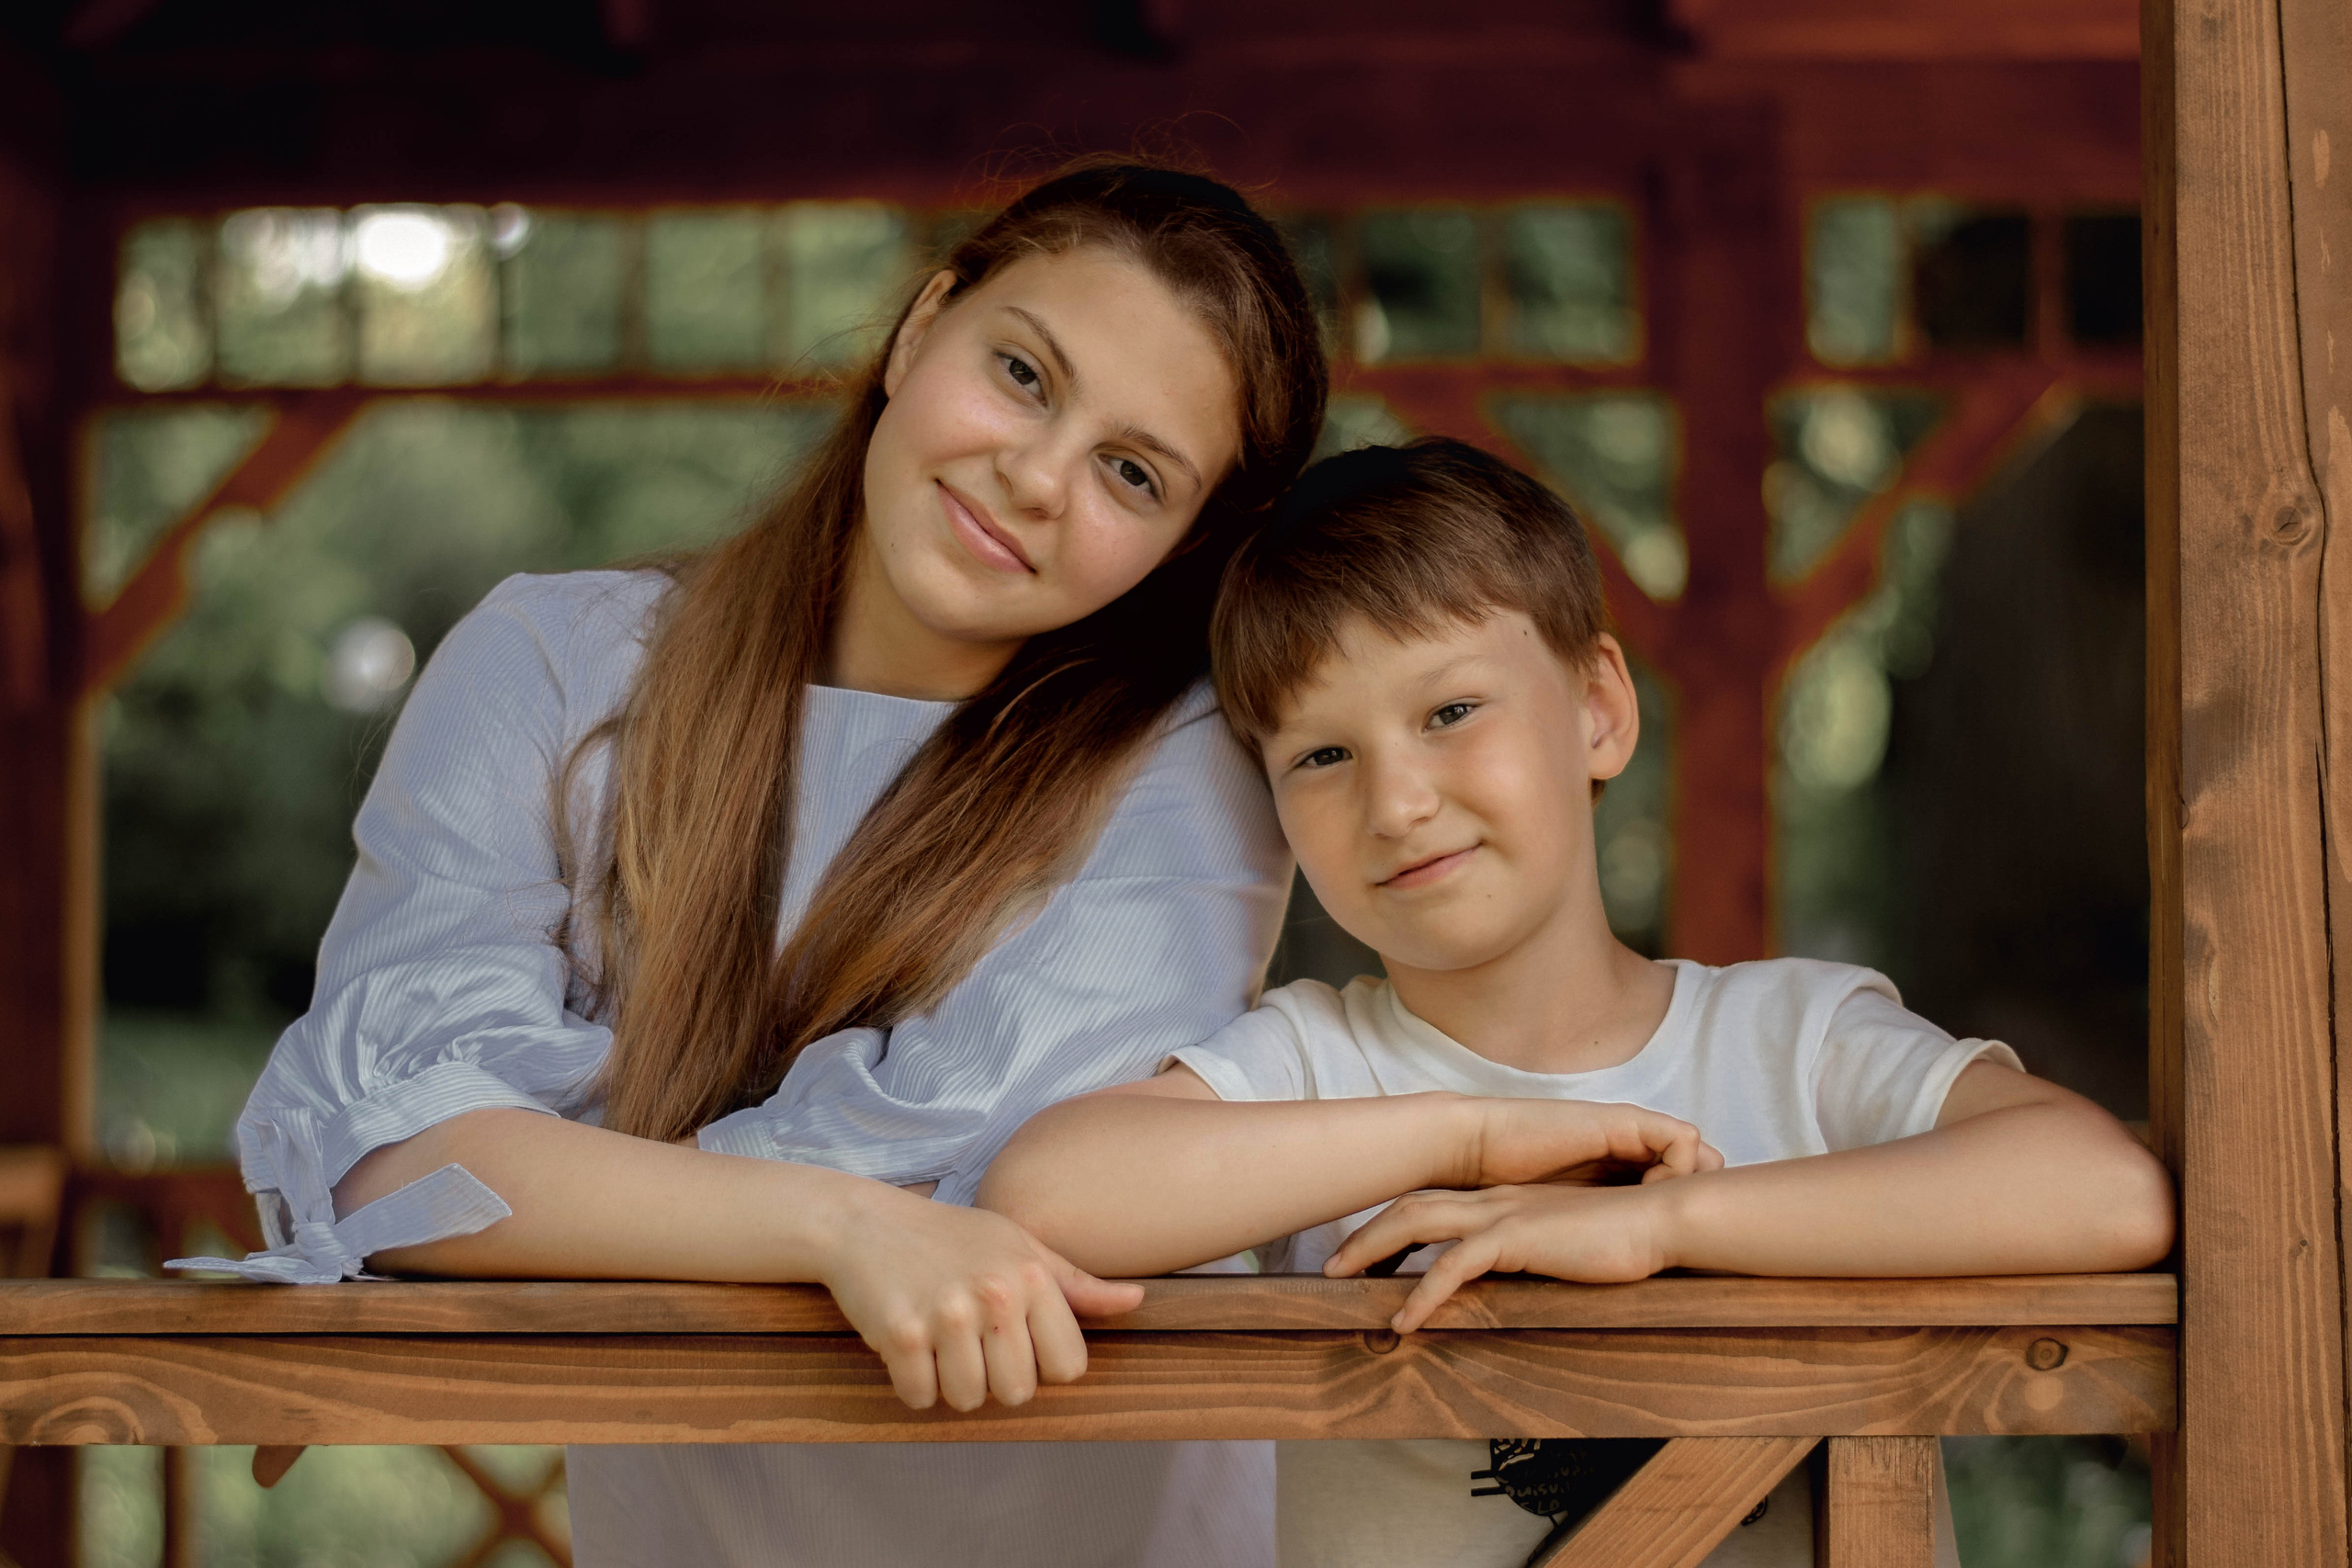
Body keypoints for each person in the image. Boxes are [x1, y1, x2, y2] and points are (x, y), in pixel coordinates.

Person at [173, 160, 1329, 1568]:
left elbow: (1003, 1181)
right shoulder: (550, 665)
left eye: (1132, 472)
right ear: (920, 328)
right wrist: (833, 1222)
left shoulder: (1190, 760)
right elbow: (391, 1147)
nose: (1035, 478)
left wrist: (548, 1183)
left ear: (1186, 544)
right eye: (1023, 374)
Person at [978, 438, 2176, 1568]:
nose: (1395, 803)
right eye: (1321, 758)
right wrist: (1475, 1138)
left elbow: (2104, 1191)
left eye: (1450, 714)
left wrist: (1661, 1232)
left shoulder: (1794, 1041)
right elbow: (1049, 1193)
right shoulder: (1318, 1060)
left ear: (1597, 710)